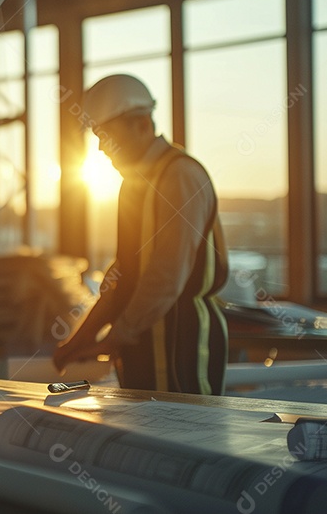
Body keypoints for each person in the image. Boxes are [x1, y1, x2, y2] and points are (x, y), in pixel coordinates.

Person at [52, 74, 229, 395]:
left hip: (181, 341)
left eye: (107, 135)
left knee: (181, 439)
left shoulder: (178, 176)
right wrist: (78, 341)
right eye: (97, 136)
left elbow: (166, 275)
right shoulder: (134, 184)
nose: (102, 147)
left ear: (142, 125)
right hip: (142, 343)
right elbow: (122, 275)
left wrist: (118, 335)